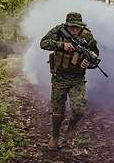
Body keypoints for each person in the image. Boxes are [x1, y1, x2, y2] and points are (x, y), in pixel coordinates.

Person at [40, 12, 100, 150]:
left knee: (79, 109)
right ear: (67, 25)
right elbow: (43, 43)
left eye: (77, 28)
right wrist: (61, 45)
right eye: (72, 27)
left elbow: (95, 58)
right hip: (59, 77)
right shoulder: (58, 31)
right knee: (57, 112)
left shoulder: (87, 36)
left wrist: (89, 64)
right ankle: (55, 136)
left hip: (77, 79)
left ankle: (72, 124)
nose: (74, 30)